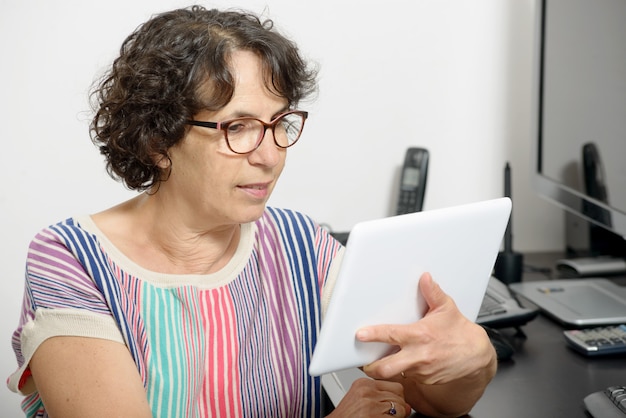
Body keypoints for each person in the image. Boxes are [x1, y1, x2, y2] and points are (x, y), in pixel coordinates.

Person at [7, 6, 497, 418]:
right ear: (157, 139)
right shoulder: (70, 259)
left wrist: (470, 363)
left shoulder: (300, 243)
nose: (270, 154)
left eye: (279, 122)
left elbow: (434, 399)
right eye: (237, 127)